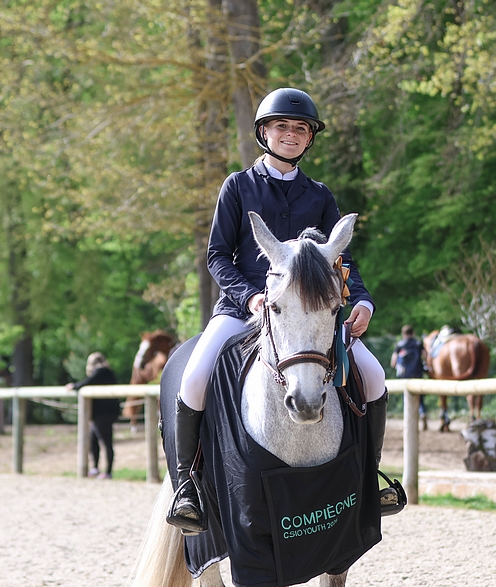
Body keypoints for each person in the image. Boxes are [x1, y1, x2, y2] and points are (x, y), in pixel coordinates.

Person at [166, 88, 394, 534]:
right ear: (264, 132)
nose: (291, 134)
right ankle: (186, 487)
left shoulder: (320, 195)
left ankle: (372, 475)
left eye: (300, 129)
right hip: (245, 306)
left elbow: (341, 259)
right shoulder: (238, 186)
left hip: (310, 313)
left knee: (375, 376)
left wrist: (363, 301)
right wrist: (250, 297)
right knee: (193, 378)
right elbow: (217, 257)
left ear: (309, 138)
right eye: (282, 126)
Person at [66, 352, 120, 479]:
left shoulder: (102, 371)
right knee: (94, 440)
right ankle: (95, 467)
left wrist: (74, 386)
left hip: (104, 413)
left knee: (106, 442)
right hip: (100, 414)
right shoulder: (105, 372)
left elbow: (88, 382)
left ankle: (108, 471)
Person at [390, 325, 427, 427]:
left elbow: (393, 362)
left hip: (405, 375)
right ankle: (422, 412)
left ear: (403, 334)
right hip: (417, 373)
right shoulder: (418, 343)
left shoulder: (399, 345)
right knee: (420, 396)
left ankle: (409, 419)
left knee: (406, 397)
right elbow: (425, 356)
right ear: (413, 333)